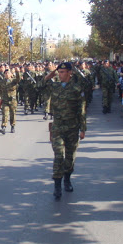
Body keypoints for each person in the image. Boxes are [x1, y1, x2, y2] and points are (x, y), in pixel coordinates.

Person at [42, 62, 87, 199]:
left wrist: (83, 129)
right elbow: (39, 86)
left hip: (73, 127)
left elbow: (82, 110)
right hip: (57, 127)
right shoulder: (54, 86)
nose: (60, 75)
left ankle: (67, 179)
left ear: (69, 73)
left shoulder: (76, 88)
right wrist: (49, 75)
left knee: (70, 157)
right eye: (59, 72)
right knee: (58, 156)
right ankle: (57, 185)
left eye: (63, 72)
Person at [0, 68, 20, 134]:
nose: (7, 74)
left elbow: (18, 79)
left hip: (12, 100)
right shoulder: (2, 82)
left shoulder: (13, 81)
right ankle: (3, 127)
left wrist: (17, 71)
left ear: (11, 74)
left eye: (8, 73)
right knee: (5, 114)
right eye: (5, 73)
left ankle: (12, 126)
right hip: (5, 100)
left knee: (12, 114)